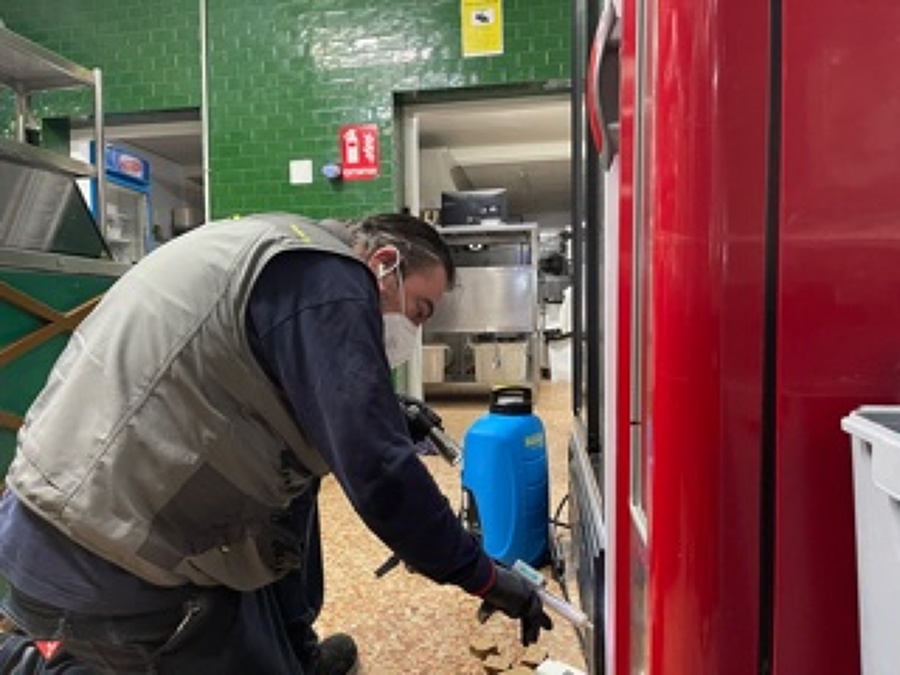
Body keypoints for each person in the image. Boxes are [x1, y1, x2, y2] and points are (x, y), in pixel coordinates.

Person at [0, 212, 552, 674]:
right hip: (98, 564)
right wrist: (480, 575)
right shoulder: (331, 282)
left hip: (60, 520)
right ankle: (39, 663)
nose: (413, 332)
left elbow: (281, 417)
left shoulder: (288, 254)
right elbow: (382, 476)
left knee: (288, 505)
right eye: (418, 311)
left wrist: (381, 411)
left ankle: (296, 649)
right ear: (384, 265)